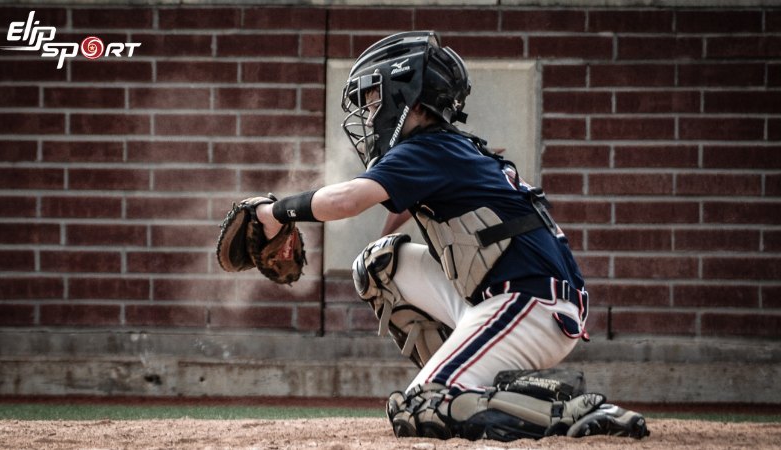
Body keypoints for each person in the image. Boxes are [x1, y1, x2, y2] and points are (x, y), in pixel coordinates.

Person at [254, 31, 649, 442]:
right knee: (378, 265)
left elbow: (348, 200)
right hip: (517, 298)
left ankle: (565, 410)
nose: (370, 113)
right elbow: (403, 205)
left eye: (375, 99)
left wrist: (275, 212)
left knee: (419, 407)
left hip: (530, 306)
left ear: (408, 96)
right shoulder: (446, 148)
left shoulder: (428, 149)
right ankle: (460, 381)